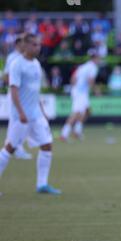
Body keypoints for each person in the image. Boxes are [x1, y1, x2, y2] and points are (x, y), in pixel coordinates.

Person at [0, 33, 61, 195]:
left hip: (36, 116)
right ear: (25, 46)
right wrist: (20, 113)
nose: (38, 47)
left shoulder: (36, 64)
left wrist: (42, 111)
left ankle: (42, 184)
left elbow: (35, 91)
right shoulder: (16, 64)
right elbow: (13, 90)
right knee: (10, 148)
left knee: (47, 145)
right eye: (34, 45)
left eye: (39, 45)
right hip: (21, 116)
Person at [2, 34, 33, 160]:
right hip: (15, 93)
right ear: (17, 45)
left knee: (23, 122)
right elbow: (5, 76)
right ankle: (15, 147)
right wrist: (15, 85)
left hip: (25, 95)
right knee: (16, 121)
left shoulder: (25, 58)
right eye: (21, 43)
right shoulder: (12, 57)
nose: (24, 45)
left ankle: (14, 146)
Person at [60, 49, 100, 141]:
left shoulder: (82, 66)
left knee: (87, 111)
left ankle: (77, 131)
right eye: (98, 58)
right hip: (81, 93)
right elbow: (90, 80)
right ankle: (64, 134)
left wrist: (75, 88)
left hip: (78, 91)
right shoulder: (93, 67)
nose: (99, 60)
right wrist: (96, 91)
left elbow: (73, 79)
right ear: (95, 58)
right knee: (76, 113)